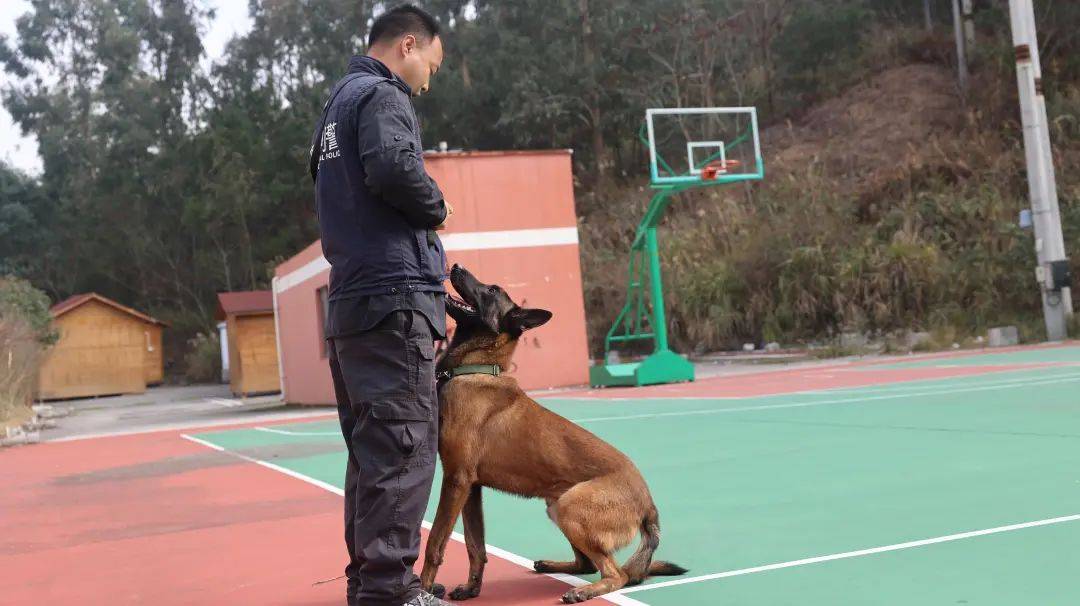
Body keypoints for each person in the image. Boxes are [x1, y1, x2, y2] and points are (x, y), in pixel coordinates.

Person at [309, 5, 453, 605]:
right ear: (409, 45)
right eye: (432, 65)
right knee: (403, 448)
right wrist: (437, 206)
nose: (428, 79)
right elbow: (394, 168)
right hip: (392, 300)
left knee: (372, 455)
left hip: (352, 302)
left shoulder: (334, 109)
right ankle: (392, 592)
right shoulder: (383, 95)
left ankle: (370, 585)